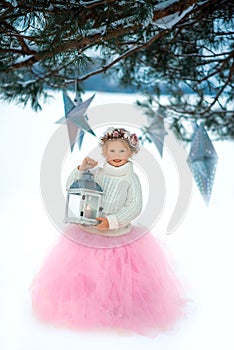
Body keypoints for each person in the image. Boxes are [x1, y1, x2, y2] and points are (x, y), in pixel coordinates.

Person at [31, 127, 185, 337]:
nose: (117, 156)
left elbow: (134, 206)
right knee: (85, 273)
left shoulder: (131, 179)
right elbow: (73, 187)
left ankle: (117, 308)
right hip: (89, 231)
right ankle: (85, 303)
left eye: (122, 151)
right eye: (111, 151)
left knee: (117, 276)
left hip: (116, 235)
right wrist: (81, 169)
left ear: (130, 153)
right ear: (104, 153)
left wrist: (112, 221)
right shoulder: (98, 172)